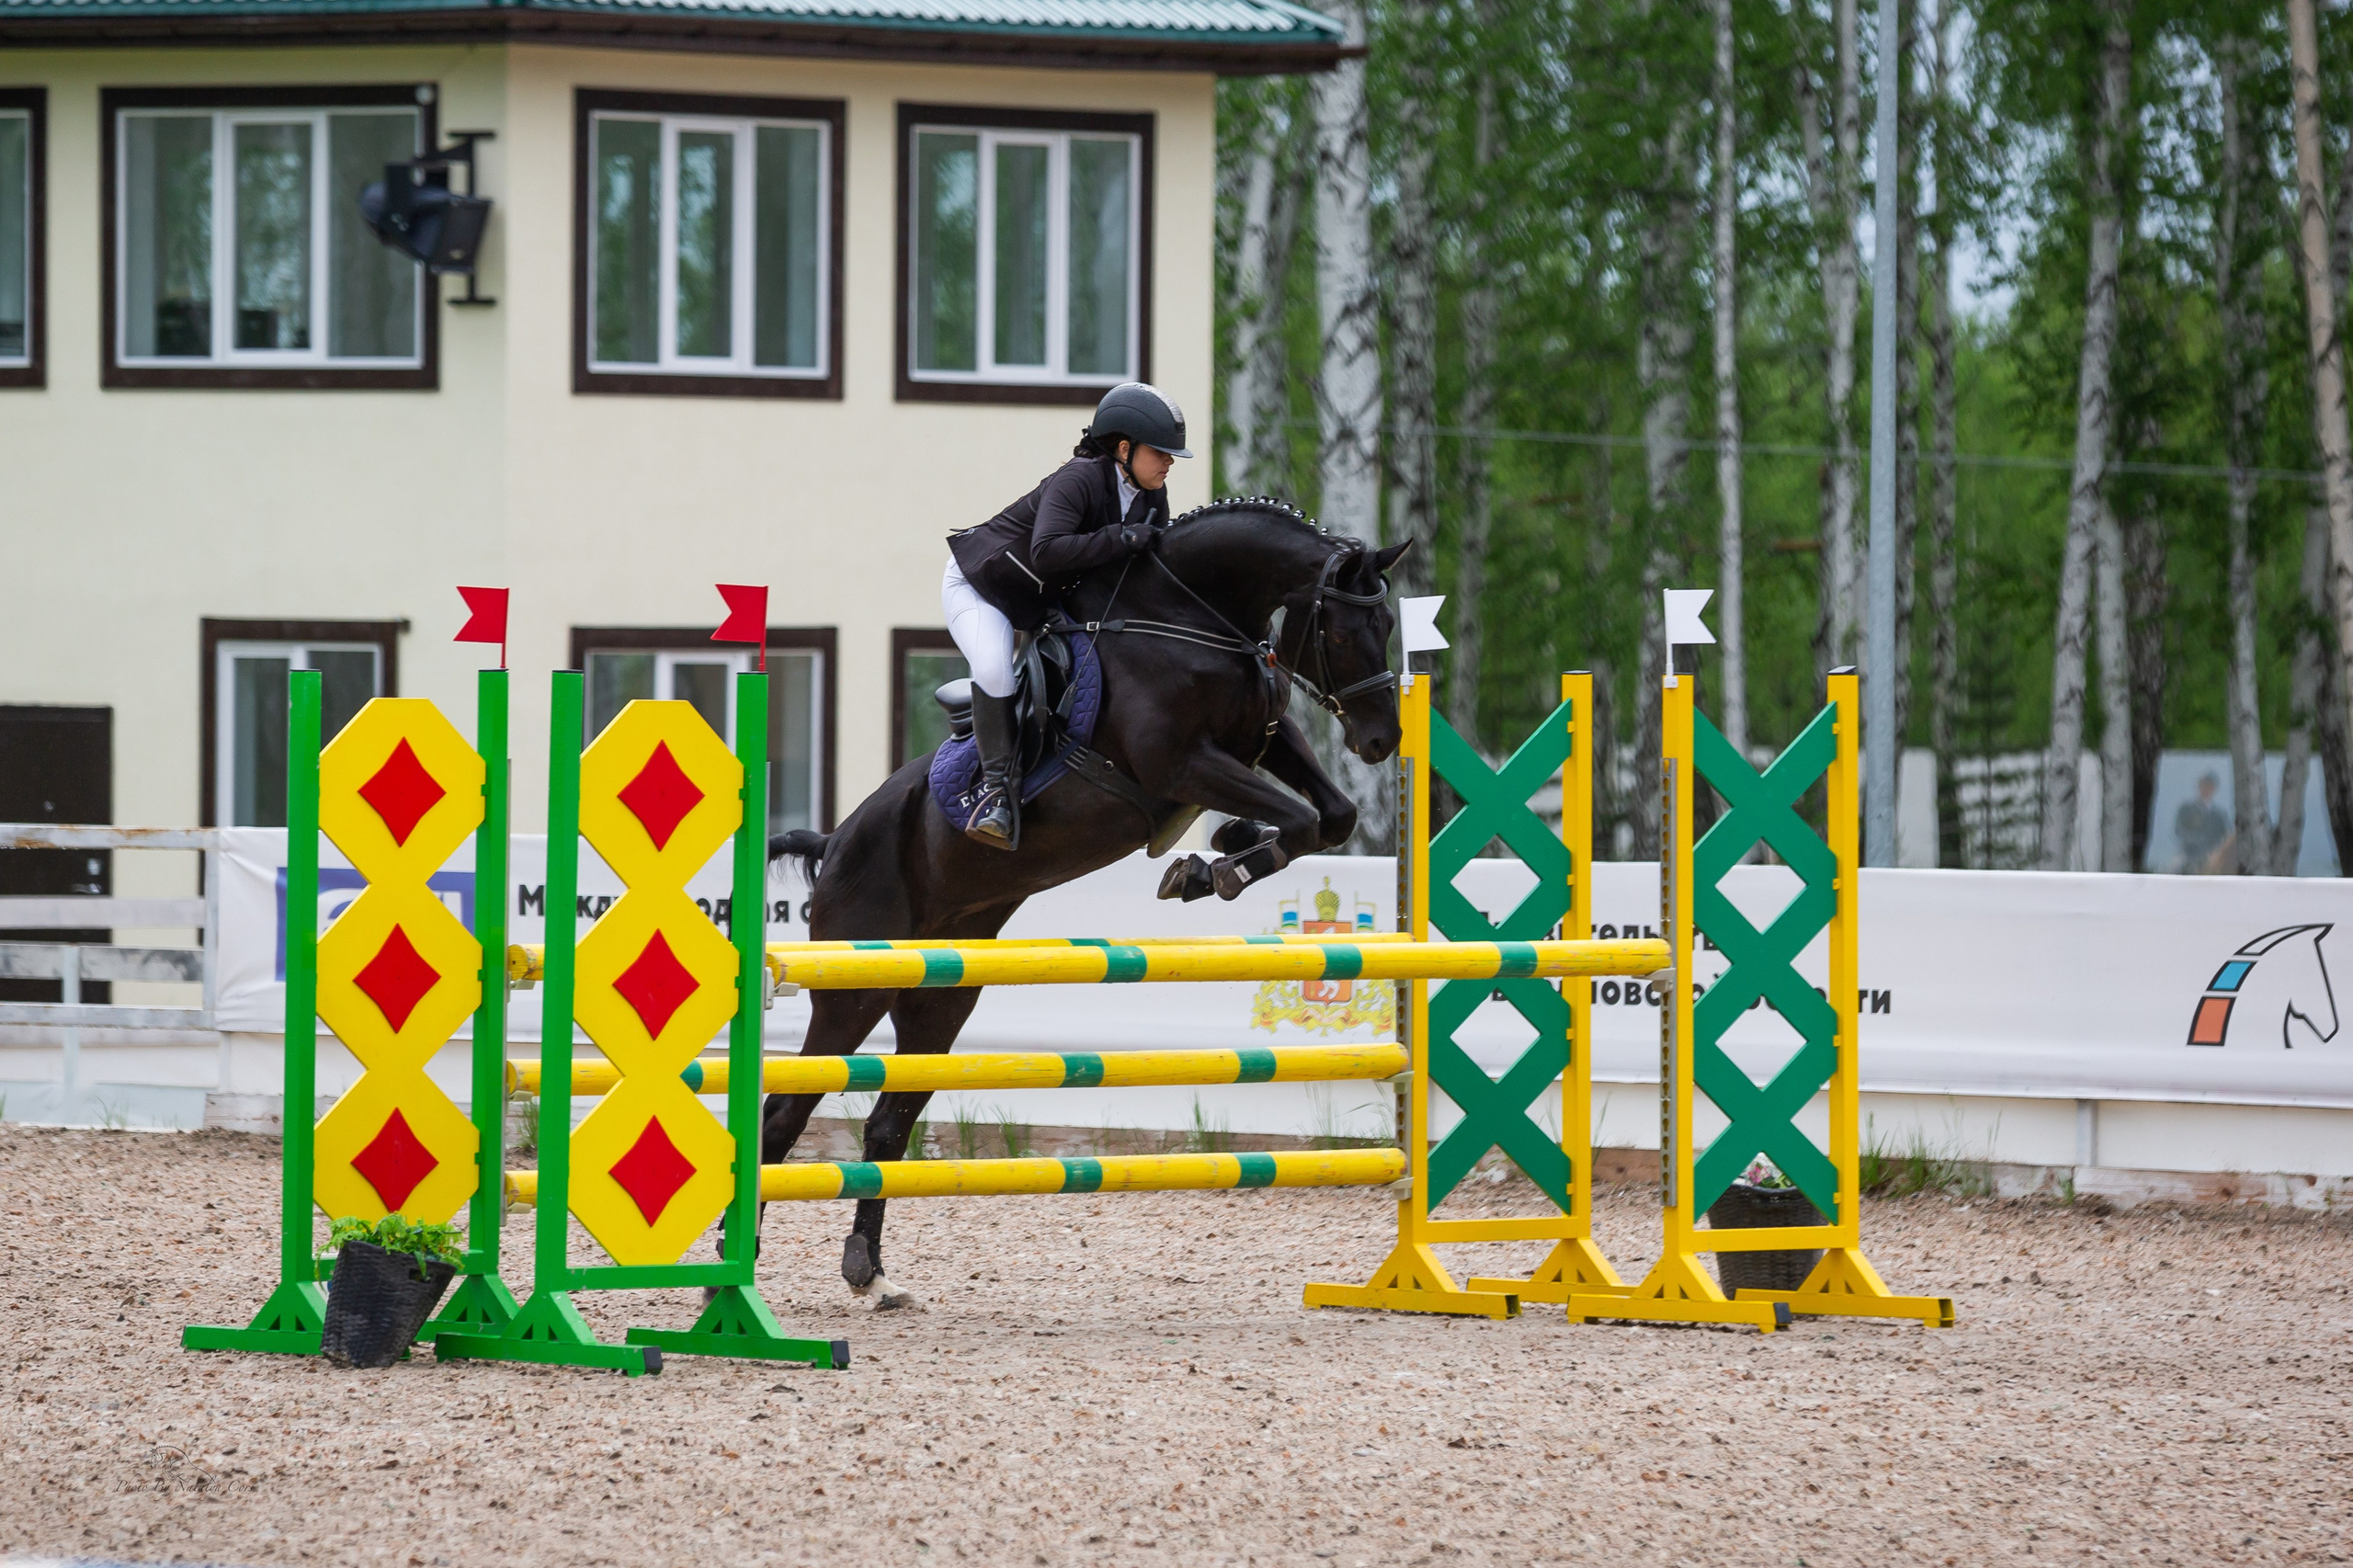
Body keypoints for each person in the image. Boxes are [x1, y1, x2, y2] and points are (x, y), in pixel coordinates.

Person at [941, 382, 1192, 848]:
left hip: (1040, 600)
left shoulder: (1151, 496)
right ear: (1124, 448)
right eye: (1160, 452)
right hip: (983, 588)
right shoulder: (1079, 478)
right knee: (996, 669)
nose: (1169, 462)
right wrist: (1122, 540)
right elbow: (1047, 550)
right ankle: (997, 795)